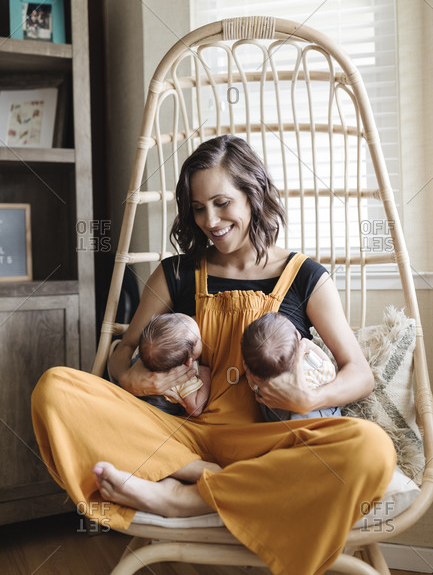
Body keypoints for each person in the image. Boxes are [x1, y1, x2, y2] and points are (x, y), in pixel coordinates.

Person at [31, 135, 396, 575]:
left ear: (254, 195)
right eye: (199, 208)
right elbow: (122, 351)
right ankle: (207, 475)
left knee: (371, 448)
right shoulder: (176, 272)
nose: (210, 220)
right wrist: (130, 380)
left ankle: (186, 497)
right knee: (55, 389)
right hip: (181, 437)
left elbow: (361, 373)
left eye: (222, 203)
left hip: (270, 447)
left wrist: (306, 401)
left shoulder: (305, 277)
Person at [241, 311, 340, 422]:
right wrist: (311, 347)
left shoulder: (258, 379)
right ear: (298, 347)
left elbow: (252, 380)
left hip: (279, 419)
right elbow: (330, 371)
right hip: (316, 418)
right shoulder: (309, 366)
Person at [138, 312, 211, 417]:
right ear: (188, 361)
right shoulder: (183, 378)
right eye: (198, 339)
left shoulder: (145, 360)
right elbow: (195, 409)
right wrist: (205, 375)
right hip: (154, 417)